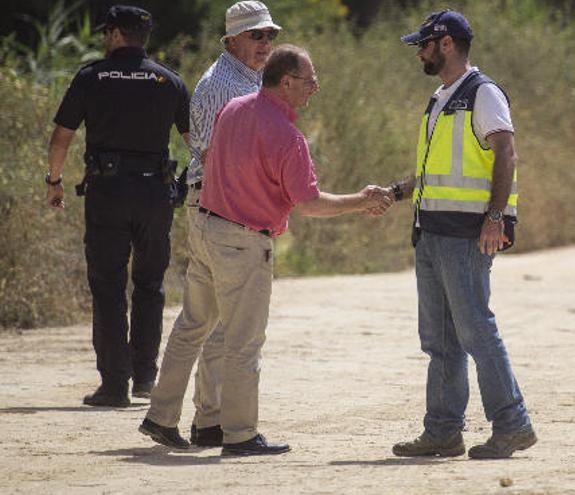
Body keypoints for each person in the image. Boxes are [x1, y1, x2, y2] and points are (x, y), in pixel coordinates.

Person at [139, 44, 393, 455]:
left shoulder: (234, 108)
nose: (315, 88)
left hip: (205, 226)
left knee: (192, 327)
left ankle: (168, 418)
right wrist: (361, 201)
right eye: (309, 81)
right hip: (242, 242)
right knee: (243, 341)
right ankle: (238, 435)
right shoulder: (288, 137)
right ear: (287, 82)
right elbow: (308, 204)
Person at [387, 10, 537, 459]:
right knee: (440, 341)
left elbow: (506, 153)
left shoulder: (483, 93)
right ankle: (443, 432)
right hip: (431, 233)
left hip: (466, 236)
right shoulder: (440, 97)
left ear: (446, 44)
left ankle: (513, 424)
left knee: (475, 331)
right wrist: (396, 192)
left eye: (424, 45)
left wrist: (496, 216)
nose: (419, 53)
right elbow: (434, 172)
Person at [46, 5, 190, 408]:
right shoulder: (169, 80)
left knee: (108, 286)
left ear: (113, 35)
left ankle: (113, 386)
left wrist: (54, 181)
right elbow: (198, 144)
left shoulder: (92, 77)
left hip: (107, 193)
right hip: (154, 194)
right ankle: (145, 377)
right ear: (143, 37)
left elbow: (62, 138)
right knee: (150, 284)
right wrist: (181, 186)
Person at [184, 0, 282, 449]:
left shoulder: (250, 80)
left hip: (227, 207)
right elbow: (211, 156)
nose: (265, 43)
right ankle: (223, 424)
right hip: (222, 207)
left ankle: (210, 420)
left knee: (221, 322)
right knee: (229, 325)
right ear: (232, 40)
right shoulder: (223, 86)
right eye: (256, 35)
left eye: (270, 35)